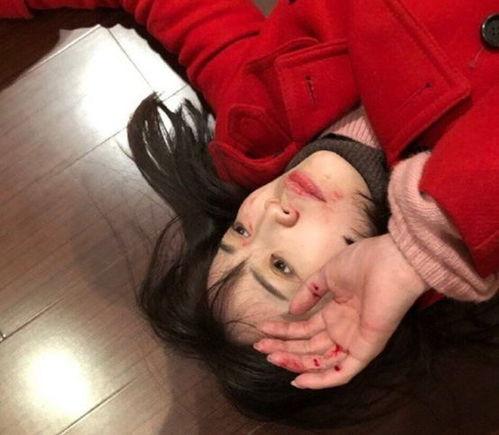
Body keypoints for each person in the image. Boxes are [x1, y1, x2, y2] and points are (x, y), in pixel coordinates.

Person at [2, 0, 498, 429]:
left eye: (238, 232)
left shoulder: (256, 126)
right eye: (281, 266)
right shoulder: (467, 228)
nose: (270, 214)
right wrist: (427, 245)